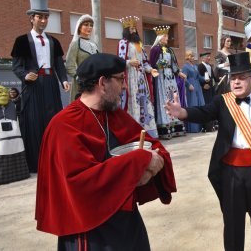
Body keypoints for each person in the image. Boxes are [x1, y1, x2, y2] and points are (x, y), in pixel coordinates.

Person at [35, 53, 176, 250]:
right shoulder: (65, 124)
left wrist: (147, 170)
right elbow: (78, 183)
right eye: (120, 79)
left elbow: (155, 148)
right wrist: (139, 162)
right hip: (90, 228)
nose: (125, 86)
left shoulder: (115, 115)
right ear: (103, 83)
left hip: (126, 219)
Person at [164, 52, 251, 251]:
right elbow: (204, 113)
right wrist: (183, 112)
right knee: (232, 222)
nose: (236, 82)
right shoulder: (223, 101)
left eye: (241, 78)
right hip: (230, 172)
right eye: (233, 78)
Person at [11, 0, 70, 173]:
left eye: (46, 17)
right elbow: (16, 66)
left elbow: (59, 64)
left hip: (51, 84)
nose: (43, 20)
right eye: (39, 17)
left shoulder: (54, 41)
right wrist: (25, 75)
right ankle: (36, 164)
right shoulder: (21, 41)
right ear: (32, 18)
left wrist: (64, 80)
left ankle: (55, 161)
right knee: (33, 122)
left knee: (53, 122)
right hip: (33, 86)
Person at [117, 16, 158, 138]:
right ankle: (133, 131)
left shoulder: (139, 44)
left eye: (135, 28)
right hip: (130, 77)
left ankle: (147, 130)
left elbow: (144, 61)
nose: (133, 31)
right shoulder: (123, 43)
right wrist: (129, 62)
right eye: (131, 29)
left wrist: (151, 70)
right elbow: (119, 61)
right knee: (132, 101)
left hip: (141, 77)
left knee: (144, 101)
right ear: (126, 30)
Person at [149, 25, 186, 139]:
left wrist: (179, 72)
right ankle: (165, 126)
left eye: (167, 36)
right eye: (165, 36)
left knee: (173, 97)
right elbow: (152, 64)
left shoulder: (170, 50)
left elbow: (174, 63)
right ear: (160, 37)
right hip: (161, 78)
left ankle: (176, 123)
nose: (167, 38)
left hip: (171, 78)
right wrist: (160, 65)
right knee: (164, 99)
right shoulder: (155, 49)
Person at [0, 85, 29, 185]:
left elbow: (18, 121)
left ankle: (21, 175)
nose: (4, 94)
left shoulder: (12, 105)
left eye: (5, 91)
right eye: (0, 91)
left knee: (17, 150)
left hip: (16, 139)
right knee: (0, 152)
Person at [65, 14, 98, 102]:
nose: (89, 27)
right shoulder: (75, 43)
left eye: (91, 25)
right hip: (81, 83)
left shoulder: (94, 44)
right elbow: (69, 65)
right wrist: (78, 77)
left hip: (95, 82)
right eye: (86, 24)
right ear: (79, 27)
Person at [182, 51, 205, 133]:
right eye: (191, 56)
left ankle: (200, 127)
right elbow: (183, 78)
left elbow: (199, 76)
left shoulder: (195, 66)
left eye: (193, 56)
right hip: (191, 87)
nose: (193, 57)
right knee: (193, 105)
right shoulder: (185, 66)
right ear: (188, 56)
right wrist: (188, 85)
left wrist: (205, 79)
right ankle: (193, 129)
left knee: (200, 104)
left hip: (198, 86)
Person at [198, 52, 217, 132]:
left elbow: (213, 78)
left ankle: (211, 125)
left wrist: (219, 78)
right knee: (206, 106)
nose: (209, 58)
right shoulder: (200, 66)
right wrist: (203, 86)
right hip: (204, 90)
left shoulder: (209, 66)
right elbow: (198, 78)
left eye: (209, 56)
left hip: (211, 89)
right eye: (207, 56)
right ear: (202, 58)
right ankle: (206, 126)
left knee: (211, 105)